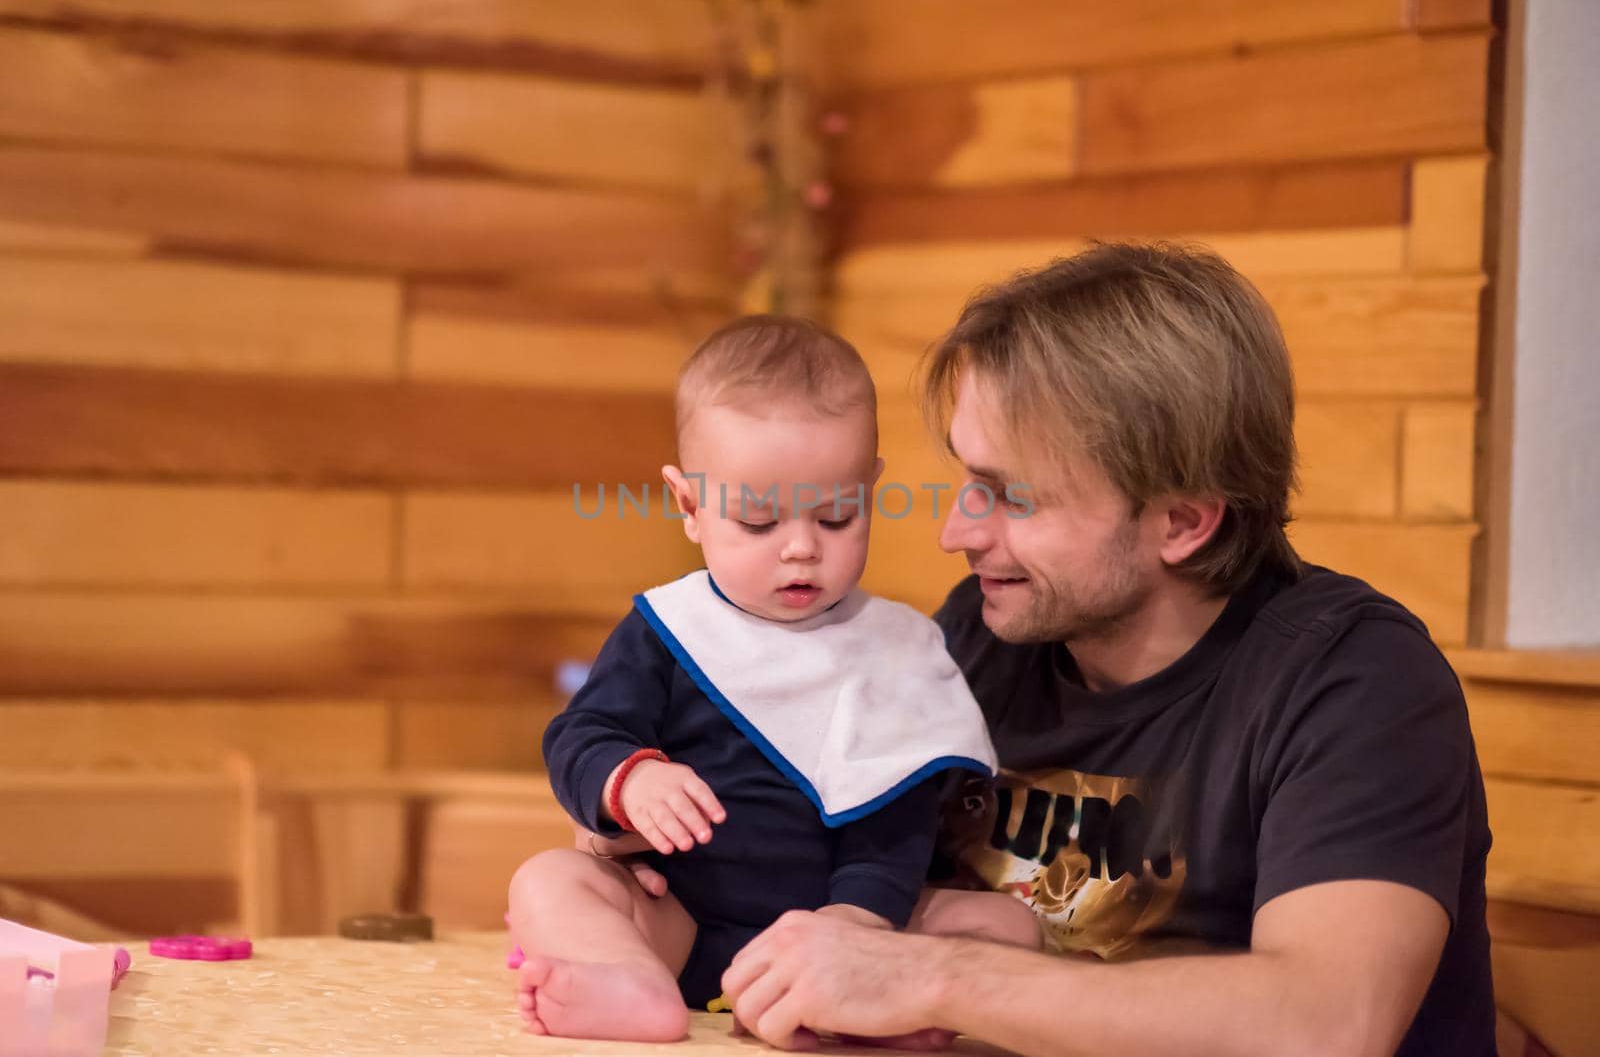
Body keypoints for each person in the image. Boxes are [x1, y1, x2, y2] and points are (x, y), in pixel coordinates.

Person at [719, 243, 1496, 1056]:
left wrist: (936, 976)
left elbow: (1327, 1024)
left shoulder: (1356, 680)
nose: (957, 532)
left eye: (1011, 494)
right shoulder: (983, 638)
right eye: (967, 480)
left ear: (1183, 522)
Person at [508, 315, 1023, 1043]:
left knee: (1003, 926)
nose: (802, 550)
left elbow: (897, 818)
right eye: (757, 523)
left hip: (848, 932)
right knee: (547, 881)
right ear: (689, 506)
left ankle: (878, 1015)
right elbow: (582, 734)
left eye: (838, 515)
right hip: (682, 919)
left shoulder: (897, 649)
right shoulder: (669, 629)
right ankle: (628, 982)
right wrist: (627, 783)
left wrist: (856, 923)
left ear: (870, 488)